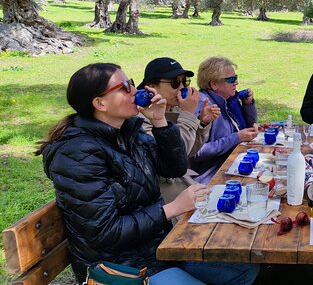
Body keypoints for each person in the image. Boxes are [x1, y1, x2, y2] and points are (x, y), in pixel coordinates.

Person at [38, 63, 259, 285]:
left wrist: (160, 121)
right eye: (124, 88)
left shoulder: (128, 131)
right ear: (100, 103)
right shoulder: (77, 154)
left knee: (244, 268)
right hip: (119, 268)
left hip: (156, 250)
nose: (135, 91)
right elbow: (105, 232)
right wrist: (173, 208)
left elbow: (174, 168)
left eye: (132, 83)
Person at [138, 57, 221, 203]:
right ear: (151, 86)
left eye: (185, 82)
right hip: (167, 197)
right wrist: (188, 115)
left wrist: (201, 123)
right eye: (175, 83)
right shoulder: (141, 117)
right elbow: (175, 156)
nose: (182, 88)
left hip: (186, 186)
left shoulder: (175, 109)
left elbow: (188, 153)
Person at [190, 56, 258, 184]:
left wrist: (248, 105)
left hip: (233, 165)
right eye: (231, 79)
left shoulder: (229, 100)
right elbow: (197, 152)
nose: (236, 83)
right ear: (214, 84)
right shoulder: (203, 105)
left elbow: (250, 126)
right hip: (211, 177)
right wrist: (236, 138)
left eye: (236, 78)